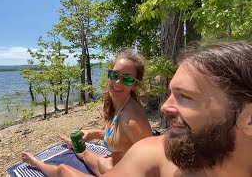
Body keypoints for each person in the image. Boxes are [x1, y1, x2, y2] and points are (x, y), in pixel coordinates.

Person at [55, 41, 252, 177]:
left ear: (249, 118)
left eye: (186, 96)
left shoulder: (133, 120)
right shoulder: (154, 154)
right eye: (113, 74)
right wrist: (96, 134)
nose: (165, 107)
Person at [21, 47, 153, 176]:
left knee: (63, 170)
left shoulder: (130, 120)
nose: (118, 82)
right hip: (117, 167)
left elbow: (152, 163)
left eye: (127, 79)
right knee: (85, 152)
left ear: (135, 84)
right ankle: (71, 144)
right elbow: (122, 138)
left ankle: (36, 163)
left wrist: (113, 167)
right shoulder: (123, 104)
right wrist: (94, 134)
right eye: (114, 74)